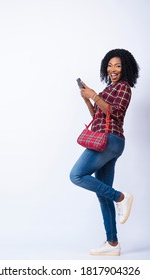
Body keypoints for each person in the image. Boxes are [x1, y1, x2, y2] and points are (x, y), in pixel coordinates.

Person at [70, 48, 139, 256]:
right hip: (106, 140)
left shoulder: (124, 88)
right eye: (109, 65)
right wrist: (87, 98)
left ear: (125, 67)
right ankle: (112, 244)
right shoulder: (109, 89)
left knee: (76, 175)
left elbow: (114, 112)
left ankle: (121, 197)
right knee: (102, 193)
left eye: (117, 65)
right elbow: (98, 114)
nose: (113, 69)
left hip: (110, 140)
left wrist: (94, 95)